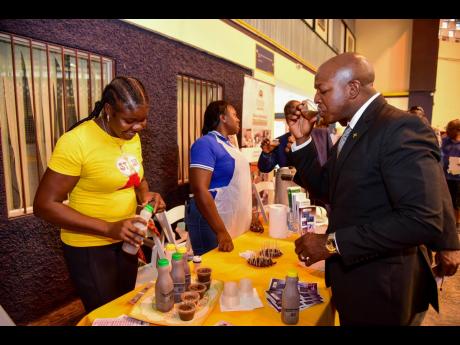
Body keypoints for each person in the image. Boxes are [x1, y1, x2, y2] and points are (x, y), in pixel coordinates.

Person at [286, 53, 460, 325]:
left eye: (322, 90)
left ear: (352, 88)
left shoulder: (399, 128)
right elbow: (325, 188)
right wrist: (303, 140)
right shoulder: (353, 131)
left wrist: (331, 244)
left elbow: (422, 220)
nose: (316, 99)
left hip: (380, 288)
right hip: (356, 282)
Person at [33, 76, 166, 312]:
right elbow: (44, 205)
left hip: (126, 241)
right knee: (106, 315)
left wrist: (145, 196)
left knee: (125, 309)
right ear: (108, 110)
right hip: (90, 247)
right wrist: (109, 228)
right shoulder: (77, 141)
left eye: (143, 120)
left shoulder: (130, 137)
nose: (137, 128)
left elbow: (137, 177)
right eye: (129, 120)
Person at [186, 100, 252, 255]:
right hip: (211, 222)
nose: (238, 119)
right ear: (223, 117)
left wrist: (250, 215)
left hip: (230, 218)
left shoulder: (229, 145)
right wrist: (220, 231)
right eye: (234, 115)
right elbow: (199, 189)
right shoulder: (205, 144)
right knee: (211, 271)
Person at [258, 100, 332, 172]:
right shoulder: (280, 142)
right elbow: (264, 168)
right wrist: (266, 153)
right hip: (288, 183)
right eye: (291, 115)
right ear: (287, 120)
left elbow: (332, 163)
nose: (296, 118)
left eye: (298, 113)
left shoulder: (322, 134)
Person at [441, 119, 460, 227]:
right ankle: (448, 220)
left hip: (457, 178)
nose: (447, 131)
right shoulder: (446, 141)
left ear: (457, 130)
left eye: (450, 129)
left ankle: (457, 222)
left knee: (456, 201)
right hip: (446, 176)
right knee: (446, 199)